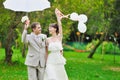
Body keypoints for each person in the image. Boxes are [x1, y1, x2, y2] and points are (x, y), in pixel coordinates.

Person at [44, 8, 69, 80]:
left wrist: (58, 17)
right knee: (51, 76)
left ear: (55, 29)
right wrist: (45, 62)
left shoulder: (59, 37)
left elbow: (60, 26)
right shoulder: (47, 39)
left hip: (58, 59)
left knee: (59, 76)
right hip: (50, 60)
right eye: (49, 28)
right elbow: (46, 52)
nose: (49, 29)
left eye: (50, 28)